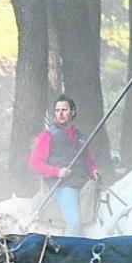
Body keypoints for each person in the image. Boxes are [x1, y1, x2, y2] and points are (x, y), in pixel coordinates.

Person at [28, 95, 99, 235]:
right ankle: (68, 248)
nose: (60, 113)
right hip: (62, 185)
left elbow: (89, 161)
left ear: (72, 112)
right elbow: (35, 163)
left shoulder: (81, 136)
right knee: (74, 222)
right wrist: (57, 172)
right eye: (57, 110)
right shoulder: (47, 135)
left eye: (64, 110)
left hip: (84, 184)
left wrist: (94, 171)